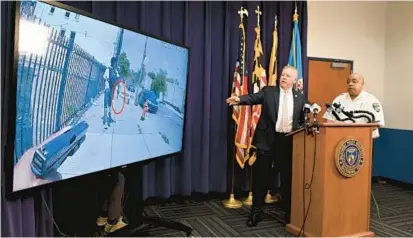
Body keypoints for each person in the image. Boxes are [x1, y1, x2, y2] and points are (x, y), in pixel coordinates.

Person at [226, 65, 306, 227]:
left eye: (287, 76)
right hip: (267, 141)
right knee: (261, 179)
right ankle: (256, 213)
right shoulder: (269, 91)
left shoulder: (300, 97)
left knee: (287, 180)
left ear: (294, 80)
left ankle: (289, 214)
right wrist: (239, 99)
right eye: (282, 74)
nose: (283, 77)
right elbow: (253, 98)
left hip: (287, 142)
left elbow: (301, 120)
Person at [322, 73, 385, 138]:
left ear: (362, 84)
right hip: (340, 139)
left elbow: (376, 124)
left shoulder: (371, 100)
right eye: (348, 82)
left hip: (364, 140)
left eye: (354, 81)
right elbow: (329, 120)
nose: (350, 84)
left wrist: (353, 130)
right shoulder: (339, 99)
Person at [102, 57, 119, 128]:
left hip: (112, 89)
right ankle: (105, 121)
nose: (116, 64)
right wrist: (107, 79)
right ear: (113, 62)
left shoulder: (116, 71)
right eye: (115, 62)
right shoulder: (108, 69)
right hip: (108, 88)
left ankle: (109, 118)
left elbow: (118, 79)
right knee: (106, 104)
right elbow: (104, 77)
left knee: (109, 104)